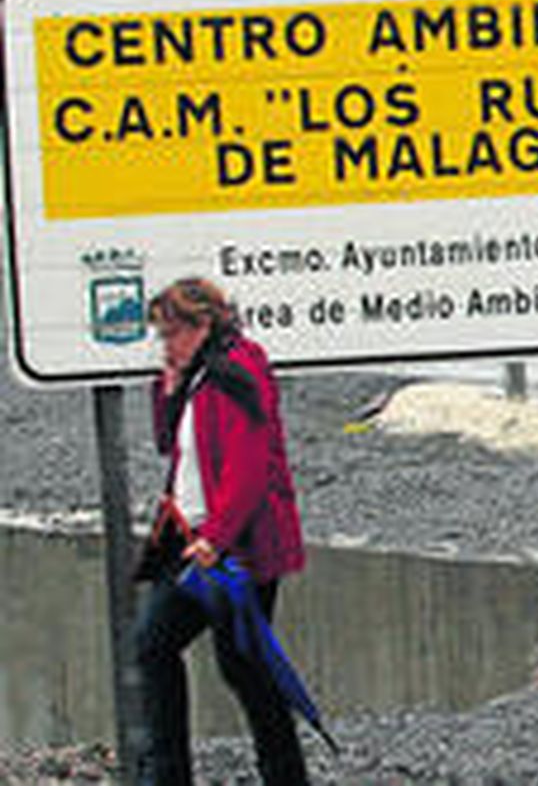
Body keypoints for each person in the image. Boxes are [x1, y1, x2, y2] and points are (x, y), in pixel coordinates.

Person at [133, 277, 309, 786]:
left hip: (232, 550)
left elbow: (248, 467)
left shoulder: (236, 371)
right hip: (192, 539)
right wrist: (166, 389)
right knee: (168, 649)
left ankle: (279, 775)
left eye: (171, 334)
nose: (165, 344)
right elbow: (173, 446)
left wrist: (218, 538)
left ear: (202, 325)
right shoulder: (201, 373)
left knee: (238, 667)